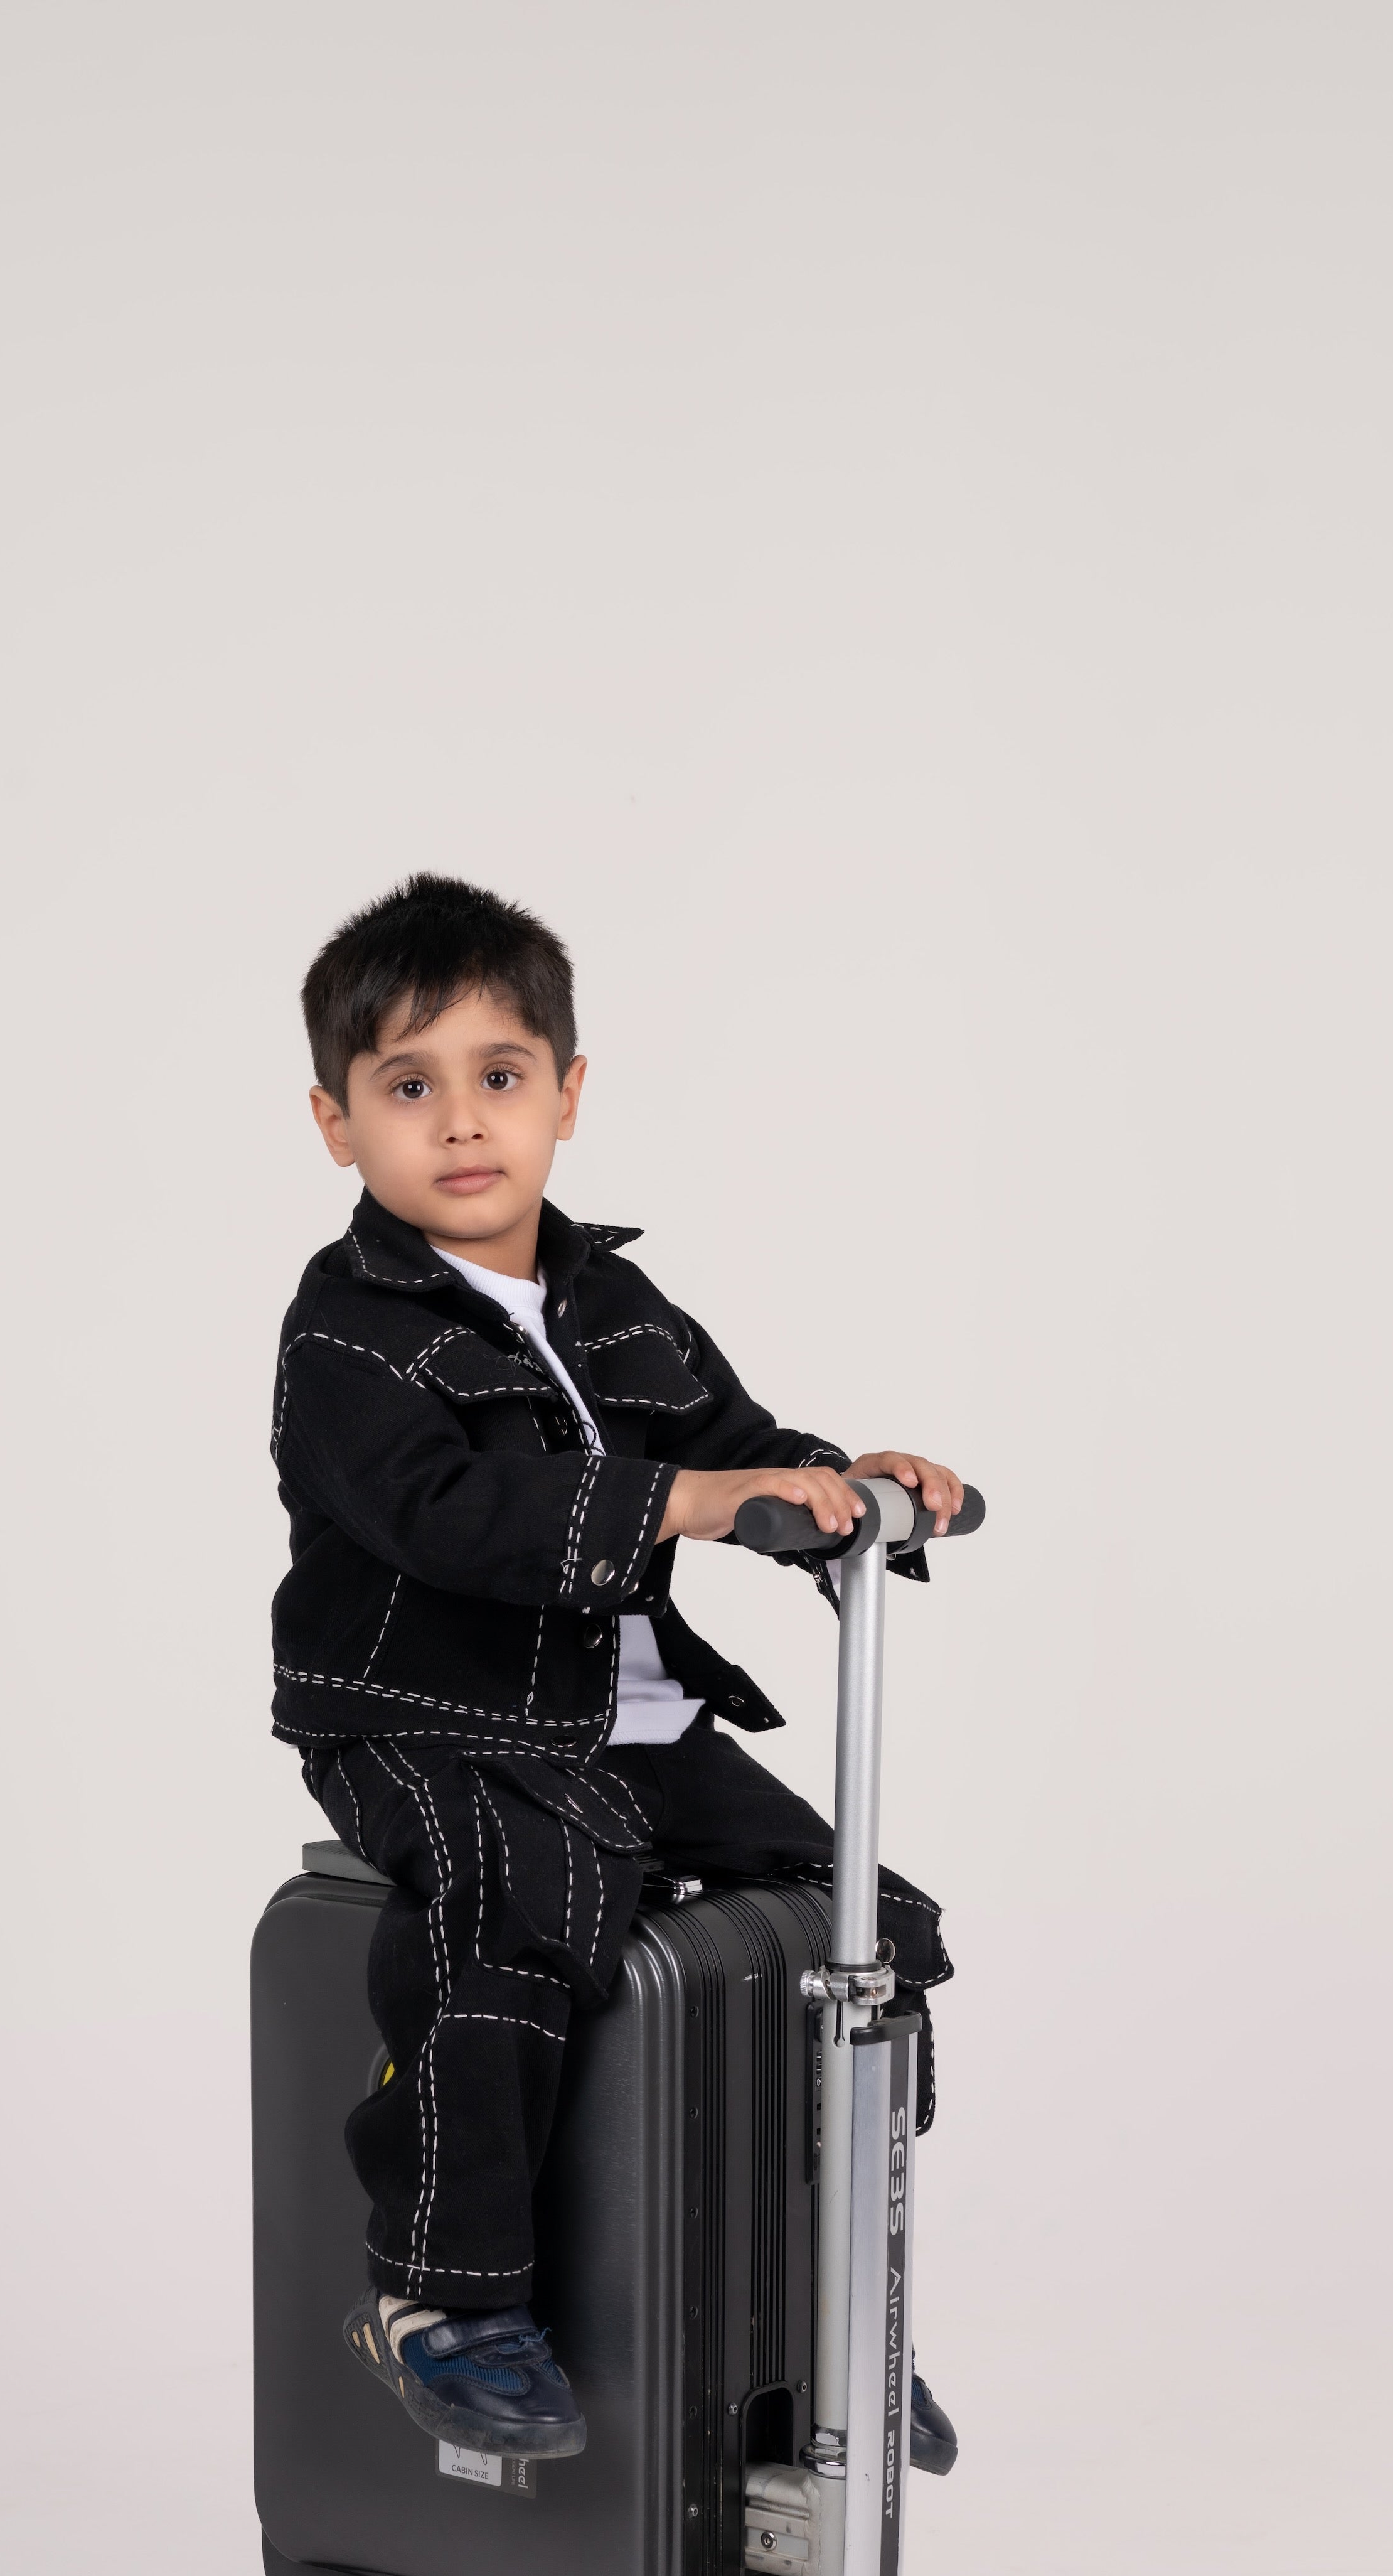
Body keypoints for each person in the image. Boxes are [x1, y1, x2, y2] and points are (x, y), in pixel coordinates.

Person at [272, 872, 963, 2469]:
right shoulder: (348, 1334)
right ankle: (439, 2294)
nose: (460, 1122)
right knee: (510, 1898)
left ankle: (838, 2311)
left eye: (498, 1077)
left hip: (617, 1721)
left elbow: (729, 1450)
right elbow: (449, 1514)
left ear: (566, 1095)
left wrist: (836, 1487)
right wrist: (678, 1503)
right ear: (334, 1123)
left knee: (856, 1926)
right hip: (424, 1720)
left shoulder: (613, 1303)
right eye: (406, 1086)